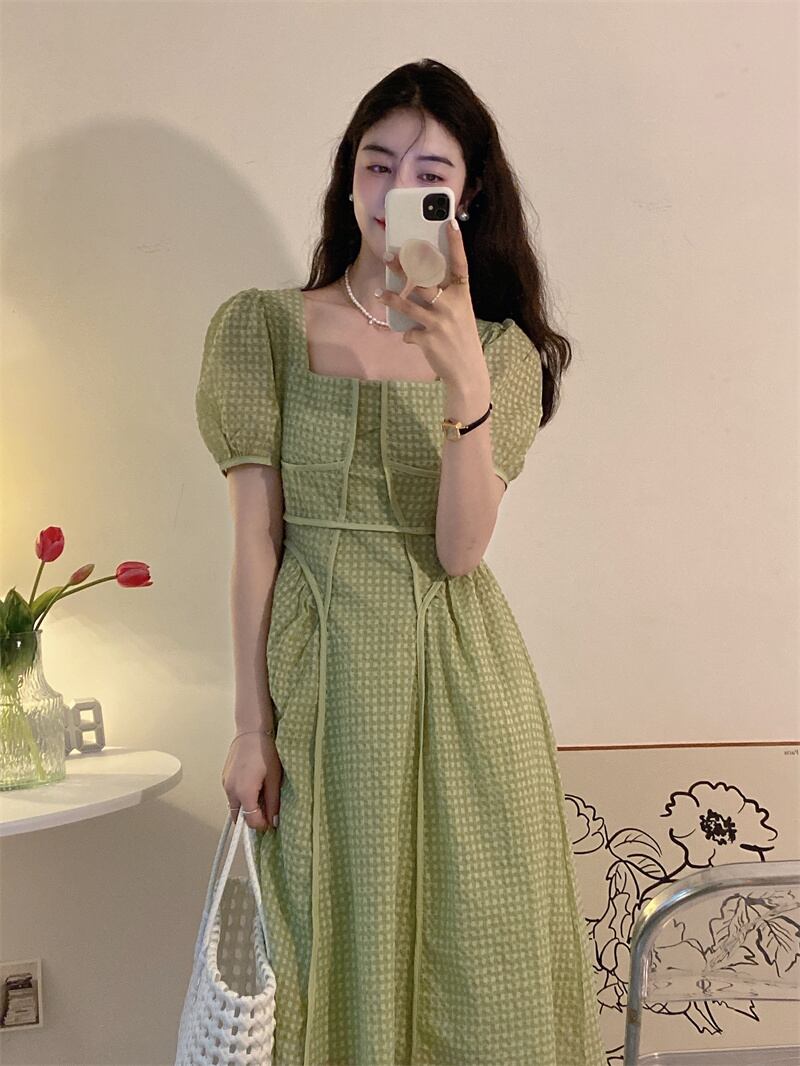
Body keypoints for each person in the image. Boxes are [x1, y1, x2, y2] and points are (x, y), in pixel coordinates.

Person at [196, 57, 606, 1066]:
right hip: (324, 686)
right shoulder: (262, 328)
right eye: (376, 164)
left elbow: (460, 551)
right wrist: (250, 725)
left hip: (461, 688)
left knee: (479, 956)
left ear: (466, 197)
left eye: (428, 172)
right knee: (318, 951)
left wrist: (463, 375)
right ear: (348, 179)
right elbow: (255, 538)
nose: (395, 191)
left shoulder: (501, 354)